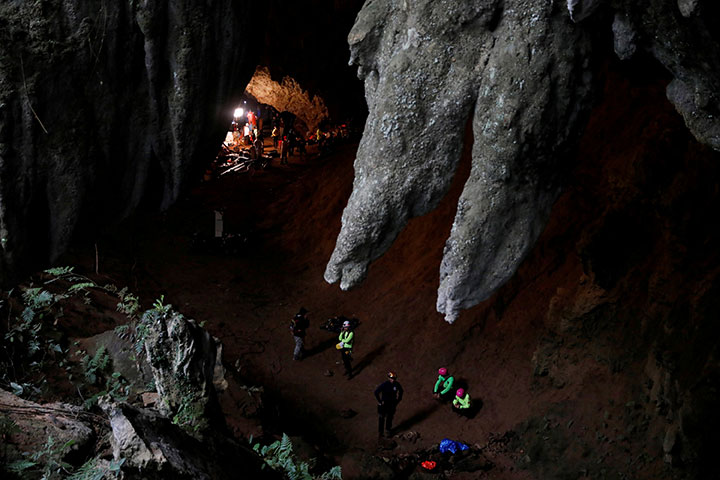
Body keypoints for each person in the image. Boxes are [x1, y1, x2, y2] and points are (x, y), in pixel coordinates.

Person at [374, 371, 404, 438]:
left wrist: (399, 399)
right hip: (384, 404)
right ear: (388, 378)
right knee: (381, 418)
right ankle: (380, 432)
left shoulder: (396, 384)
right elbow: (376, 392)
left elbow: (401, 391)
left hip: (392, 404)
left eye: (394, 379)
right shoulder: (384, 384)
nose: (393, 380)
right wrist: (380, 401)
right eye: (391, 378)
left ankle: (388, 430)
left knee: (390, 417)